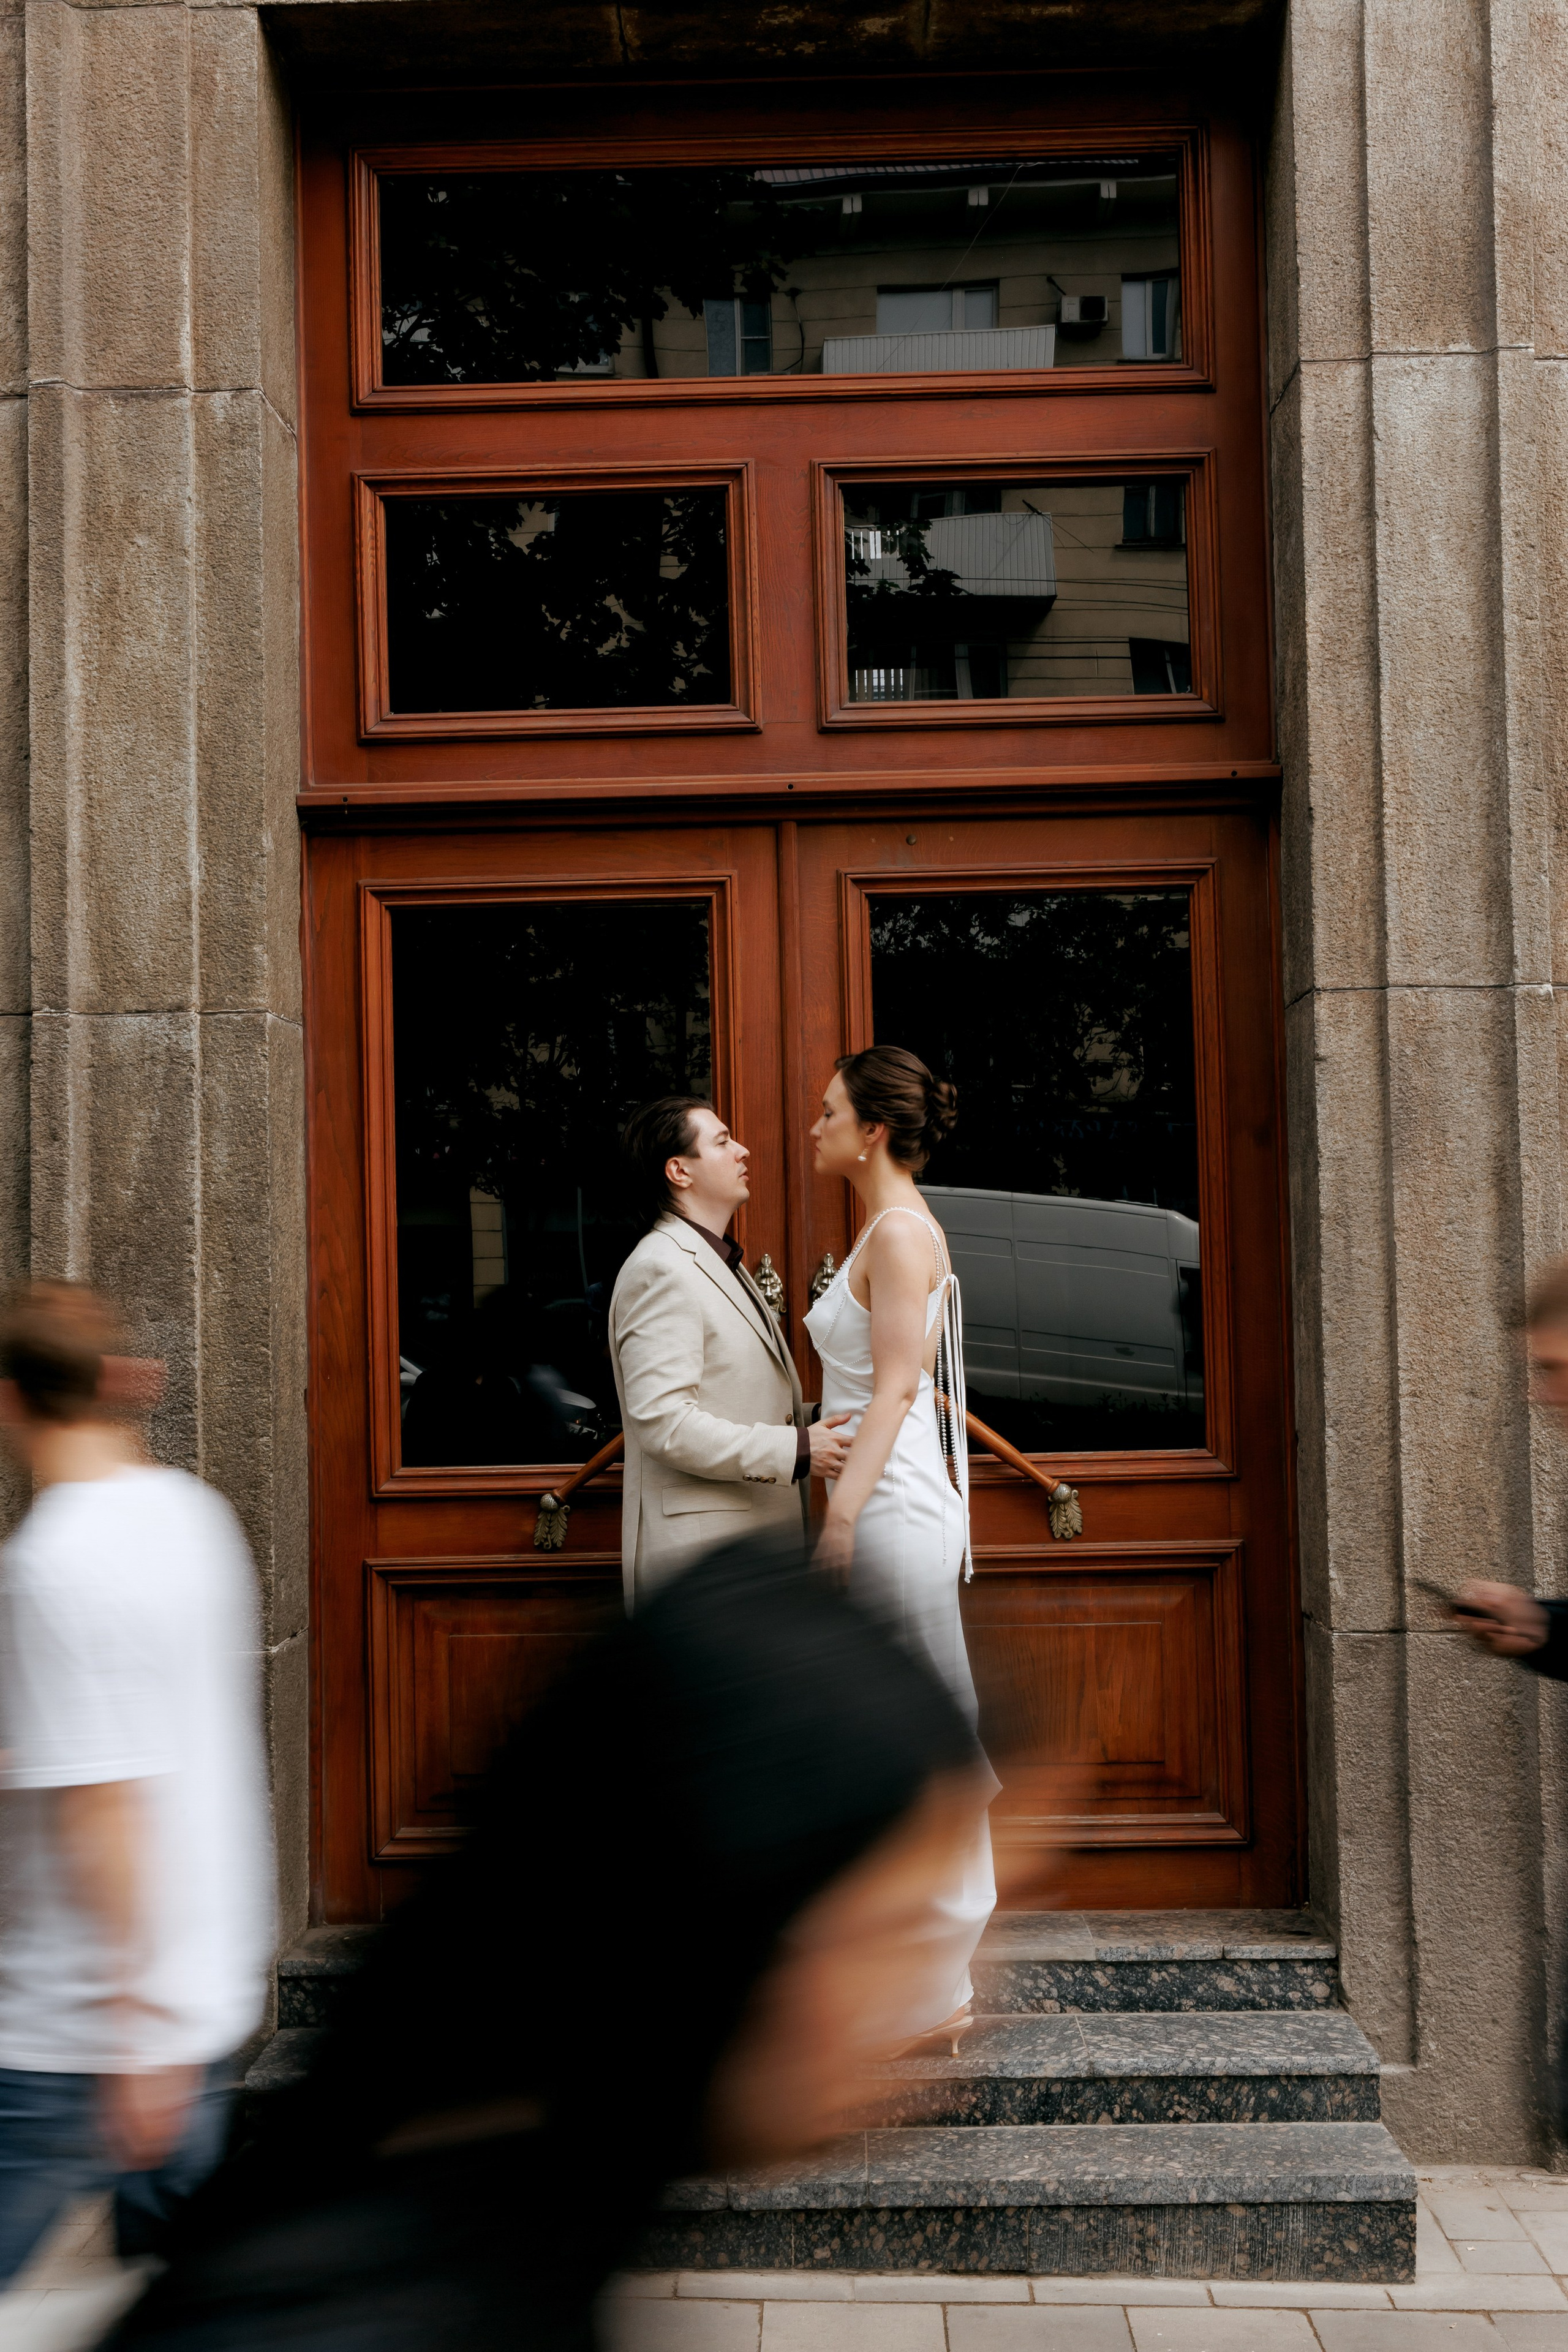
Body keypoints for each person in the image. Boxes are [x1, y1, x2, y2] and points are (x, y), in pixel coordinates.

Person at [104, 1532, 992, 2351]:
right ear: (726, 1914)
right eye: (887, 1936)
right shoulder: (357, 2313)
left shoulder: (534, 2206)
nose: (917, 2011)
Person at [0, 1282, 274, 2280]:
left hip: (84, 2031)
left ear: (11, 1400)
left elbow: (105, 1803)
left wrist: (132, 2035)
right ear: (122, 1383)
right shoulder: (194, 1516)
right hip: (200, 1987)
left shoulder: (50, 1561)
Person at [804, 1044, 997, 2052]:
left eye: (829, 1111)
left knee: (924, 1732)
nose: (814, 1126)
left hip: (893, 1507)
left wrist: (839, 1517)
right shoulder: (888, 1227)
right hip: (884, 1494)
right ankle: (909, 1975)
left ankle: (935, 1985)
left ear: (872, 1129)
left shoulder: (901, 1233)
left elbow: (892, 1392)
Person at [608, 1096, 851, 1610]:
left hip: (748, 1557)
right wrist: (796, 1449)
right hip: (701, 1567)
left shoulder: (725, 1263)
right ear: (678, 1170)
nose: (742, 1150)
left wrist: (826, 1418)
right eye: (721, 1141)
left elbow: (738, 1399)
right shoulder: (661, 1269)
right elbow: (663, 1422)